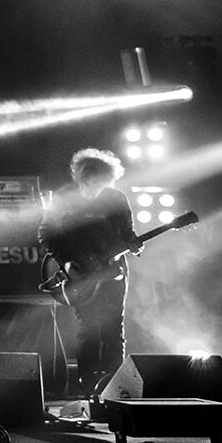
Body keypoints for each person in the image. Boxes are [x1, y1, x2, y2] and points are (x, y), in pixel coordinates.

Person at [37, 147, 144, 399]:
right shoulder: (65, 197)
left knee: (113, 328)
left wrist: (134, 244)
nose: (95, 187)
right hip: (77, 273)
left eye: (101, 183)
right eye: (91, 182)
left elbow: (127, 233)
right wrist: (66, 262)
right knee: (88, 329)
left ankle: (116, 390)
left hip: (111, 271)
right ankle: (88, 387)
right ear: (81, 177)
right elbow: (46, 233)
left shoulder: (116, 199)